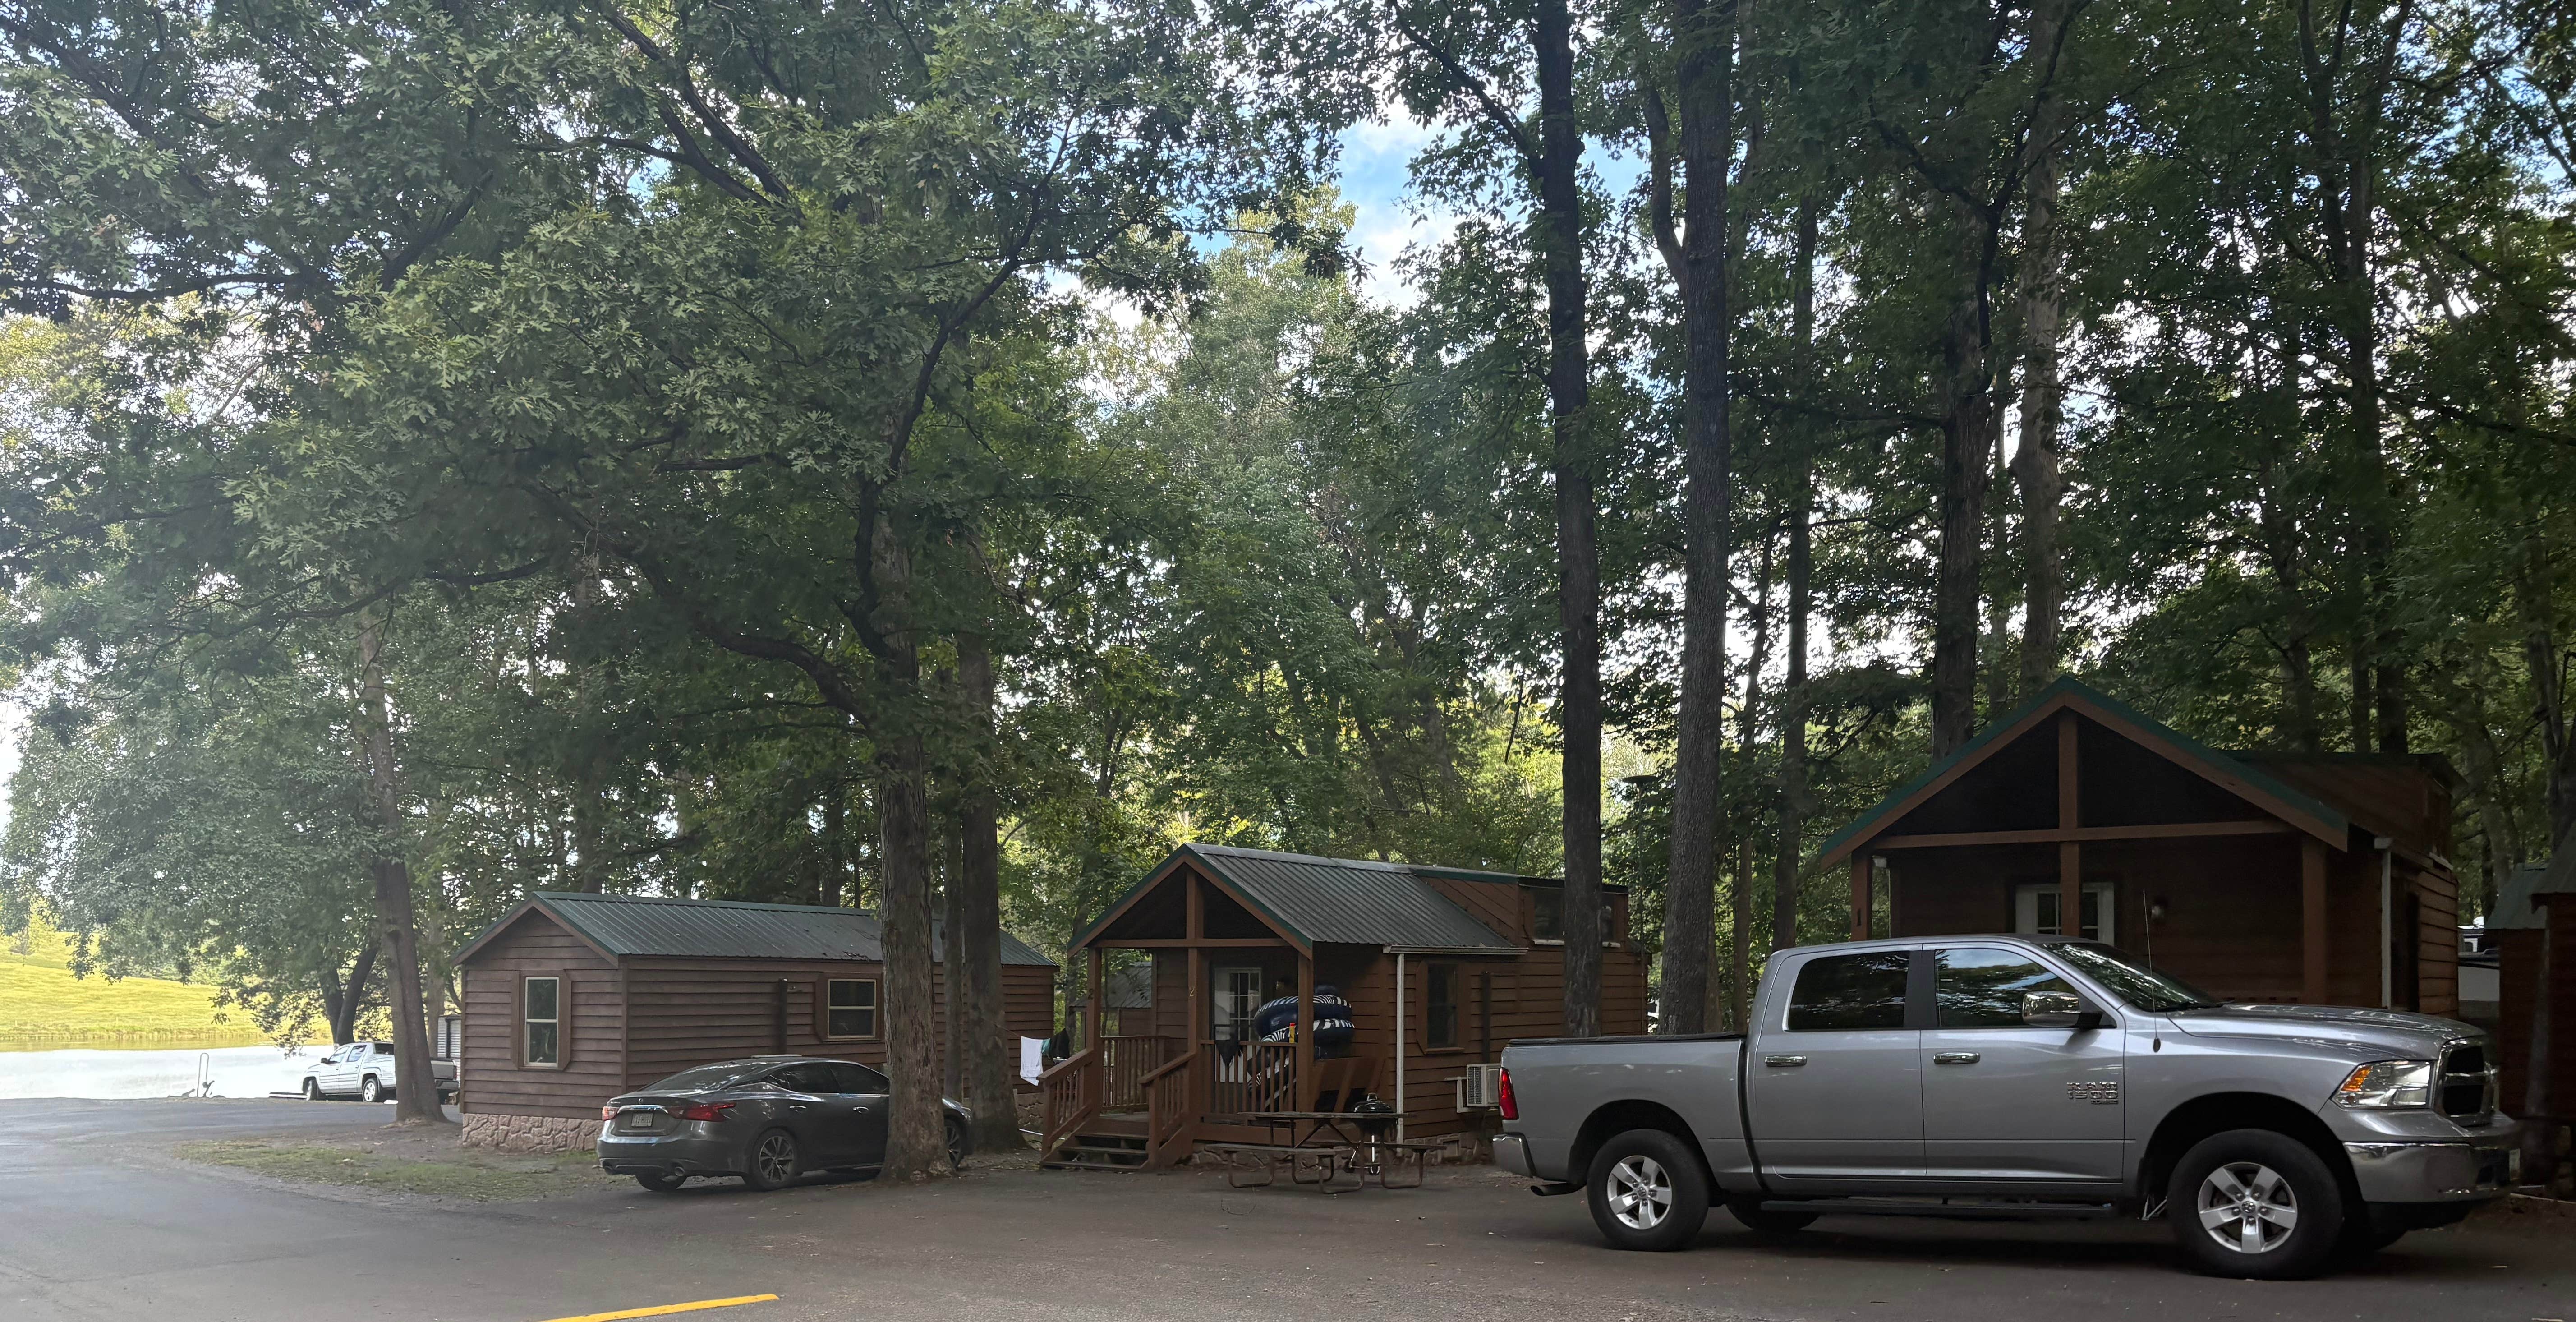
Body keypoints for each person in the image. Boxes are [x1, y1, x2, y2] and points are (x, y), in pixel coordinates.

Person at [1253, 980, 1357, 1059]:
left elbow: (1292, 1034)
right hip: (1290, 1046)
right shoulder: (1289, 1016)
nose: (1279, 991)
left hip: (1299, 1049)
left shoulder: (1296, 1015)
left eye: (1280, 987)